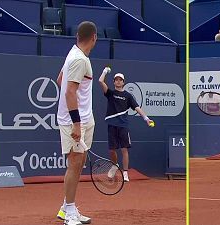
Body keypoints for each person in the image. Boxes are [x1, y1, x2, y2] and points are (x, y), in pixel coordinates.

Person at [56, 21, 97, 225]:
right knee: (74, 163)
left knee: (79, 162)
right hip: (75, 121)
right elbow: (70, 91)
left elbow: (60, 81)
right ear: (94, 38)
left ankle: (66, 207)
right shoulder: (79, 59)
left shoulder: (73, 55)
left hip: (83, 117)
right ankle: (69, 212)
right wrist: (76, 123)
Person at [98, 70, 153, 182]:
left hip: (123, 126)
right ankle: (114, 166)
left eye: (120, 80)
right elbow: (100, 81)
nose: (118, 81)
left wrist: (146, 118)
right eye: (116, 80)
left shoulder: (128, 96)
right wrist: (104, 72)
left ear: (123, 82)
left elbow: (137, 108)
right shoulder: (110, 94)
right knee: (112, 150)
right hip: (112, 125)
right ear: (114, 82)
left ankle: (125, 173)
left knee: (124, 150)